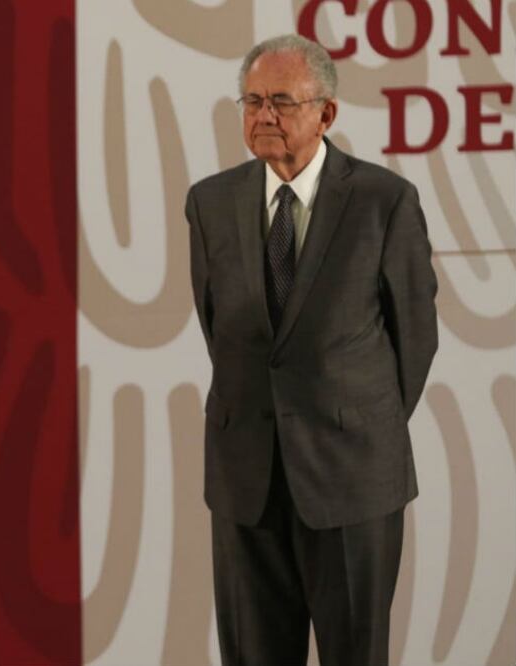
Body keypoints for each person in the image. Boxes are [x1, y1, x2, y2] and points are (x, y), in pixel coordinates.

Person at [185, 35, 437, 665]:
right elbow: (221, 332)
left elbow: (415, 340)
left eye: (281, 101)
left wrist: (353, 424)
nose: (264, 115)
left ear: (326, 113)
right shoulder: (209, 203)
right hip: (245, 480)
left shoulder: (384, 201)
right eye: (252, 101)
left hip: (352, 478)